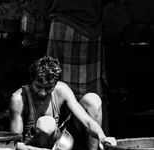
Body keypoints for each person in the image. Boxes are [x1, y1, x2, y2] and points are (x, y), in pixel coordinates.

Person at [9, 55, 115, 150]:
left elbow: (87, 121)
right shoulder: (18, 99)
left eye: (49, 88)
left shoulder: (61, 89)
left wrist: (102, 136)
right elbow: (14, 144)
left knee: (92, 100)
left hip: (61, 148)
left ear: (55, 83)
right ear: (31, 80)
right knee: (47, 123)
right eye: (38, 87)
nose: (43, 92)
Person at [46, 0, 108, 132]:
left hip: (70, 23)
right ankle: (61, 137)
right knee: (57, 84)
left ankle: (64, 136)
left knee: (57, 83)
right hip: (85, 23)